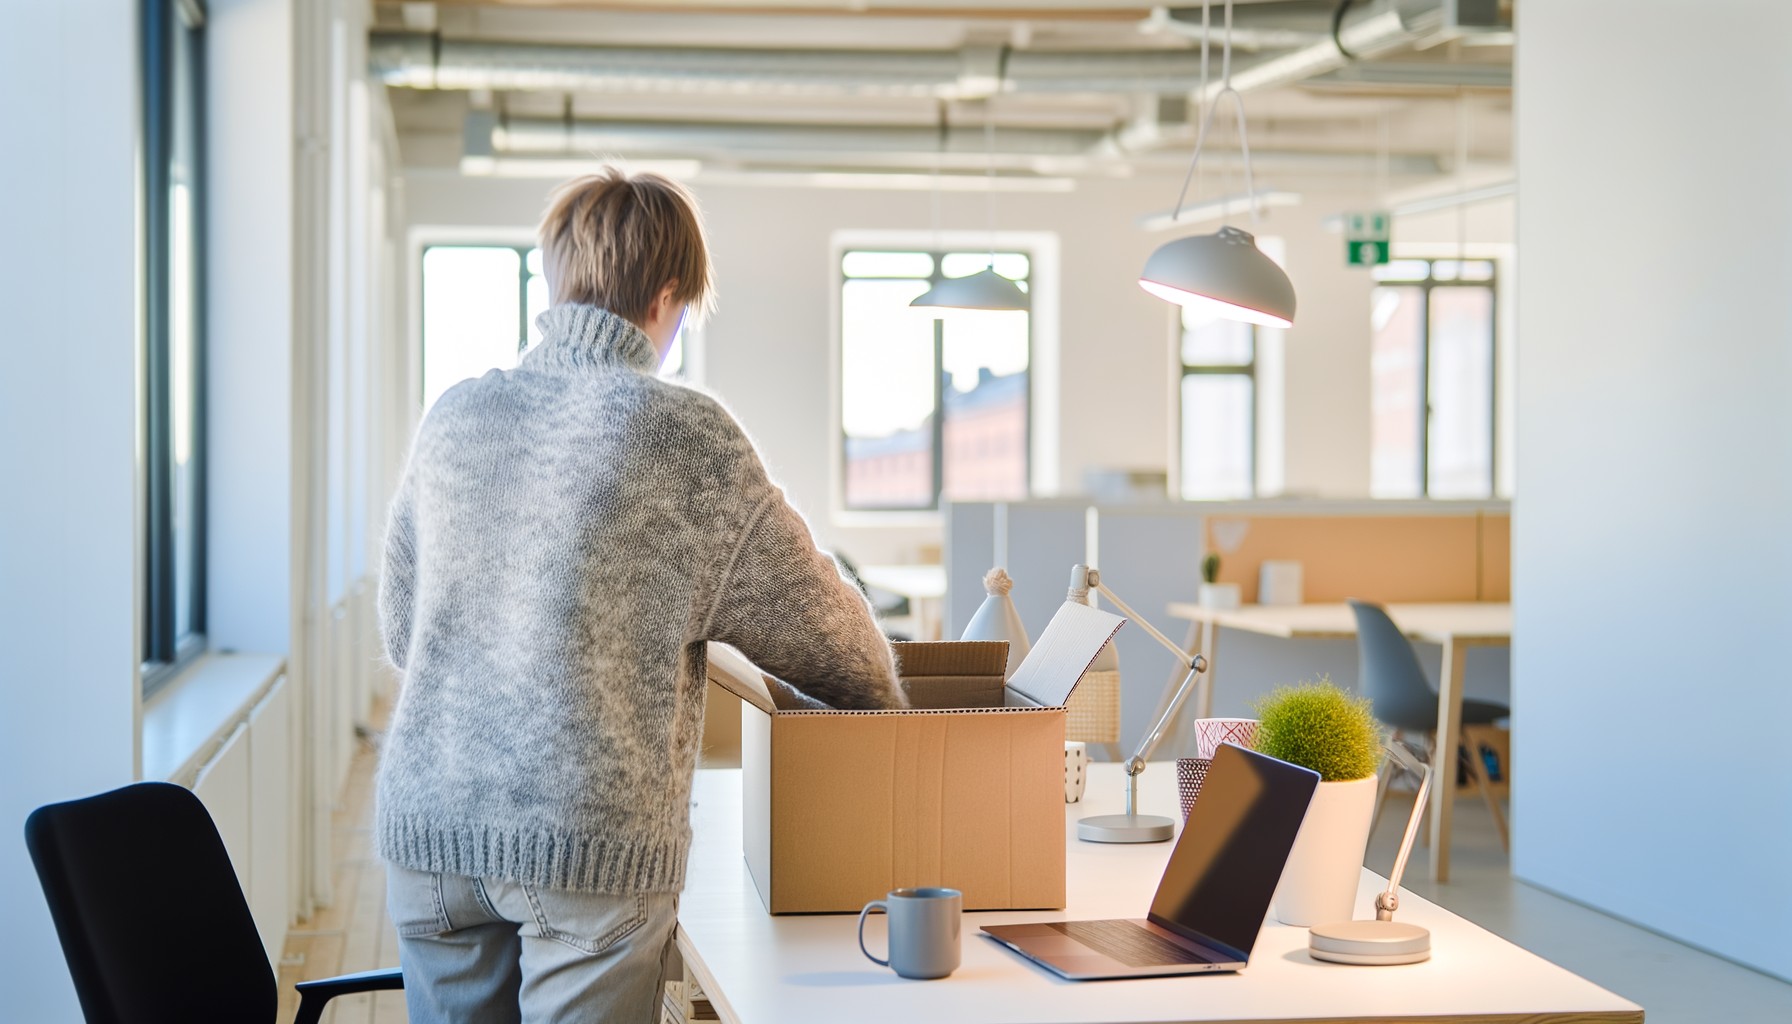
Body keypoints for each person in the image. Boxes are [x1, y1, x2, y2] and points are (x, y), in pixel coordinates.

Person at [375, 168, 906, 1023]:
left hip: (431, 831)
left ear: (557, 279)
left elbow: (404, 631)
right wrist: (890, 706)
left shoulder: (457, 416)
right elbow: (830, 640)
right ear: (666, 298)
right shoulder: (683, 436)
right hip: (589, 847)